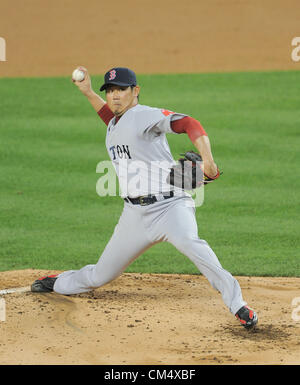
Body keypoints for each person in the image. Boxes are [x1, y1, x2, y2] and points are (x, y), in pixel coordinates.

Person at [31, 67, 258, 329]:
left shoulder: (144, 115)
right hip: (134, 216)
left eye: (121, 90)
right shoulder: (117, 122)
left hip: (170, 206)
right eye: (111, 91)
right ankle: (58, 282)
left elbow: (189, 124)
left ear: (135, 91)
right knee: (99, 275)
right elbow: (113, 120)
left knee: (193, 245)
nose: (115, 96)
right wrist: (89, 92)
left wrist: (208, 160)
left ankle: (238, 304)